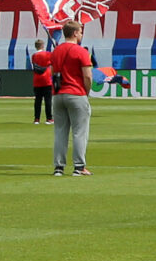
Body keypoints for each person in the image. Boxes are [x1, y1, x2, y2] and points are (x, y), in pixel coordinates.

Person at [48, 17, 116, 176]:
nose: (81, 34)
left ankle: (59, 167)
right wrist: (85, 92)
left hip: (58, 94)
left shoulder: (56, 51)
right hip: (76, 93)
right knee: (79, 132)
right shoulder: (81, 51)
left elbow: (52, 72)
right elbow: (87, 76)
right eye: (80, 32)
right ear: (74, 33)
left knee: (60, 132)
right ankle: (79, 167)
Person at [30, 35, 55, 124]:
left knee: (38, 100)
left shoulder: (34, 56)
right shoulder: (48, 54)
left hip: (37, 80)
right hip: (47, 79)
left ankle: (37, 119)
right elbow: (54, 60)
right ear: (42, 46)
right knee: (48, 100)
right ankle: (49, 118)